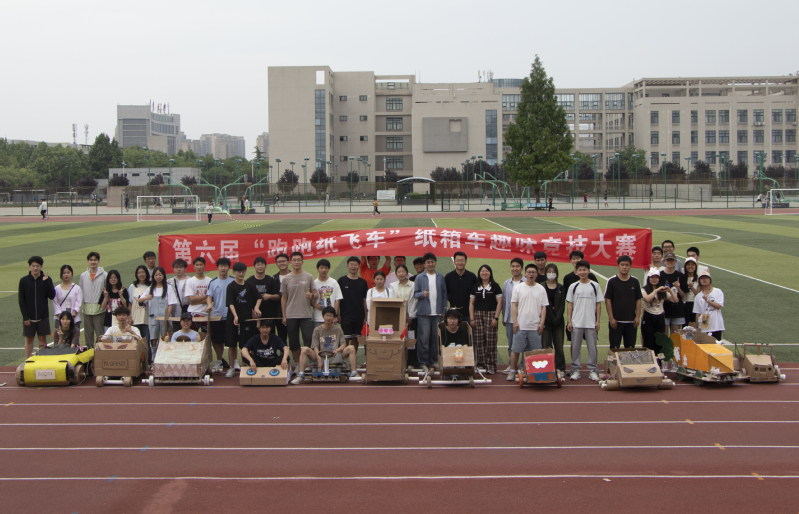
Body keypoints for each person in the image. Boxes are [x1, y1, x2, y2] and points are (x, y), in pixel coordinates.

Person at [292, 307, 358, 384]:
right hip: (320, 356)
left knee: (351, 348)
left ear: (334, 317)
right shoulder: (317, 330)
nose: (328, 318)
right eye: (327, 315)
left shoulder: (338, 329)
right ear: (323, 316)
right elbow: (315, 347)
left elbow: (343, 344)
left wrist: (337, 350)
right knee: (304, 349)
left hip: (335, 356)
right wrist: (319, 360)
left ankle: (354, 373)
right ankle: (301, 375)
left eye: (330, 316)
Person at [507, 264, 548, 381]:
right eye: (529, 272)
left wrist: (541, 323)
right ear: (525, 273)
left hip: (535, 327)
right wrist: (515, 322)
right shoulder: (518, 288)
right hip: (521, 326)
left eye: (533, 272)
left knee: (535, 352)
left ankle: (532, 372)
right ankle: (512, 371)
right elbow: (514, 305)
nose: (531, 274)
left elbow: (544, 307)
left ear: (537, 274)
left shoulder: (541, 289)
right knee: (516, 350)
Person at [566, 260, 603, 381]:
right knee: (575, 347)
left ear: (589, 271)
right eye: (580, 270)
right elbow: (570, 304)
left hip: (591, 322)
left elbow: (598, 304)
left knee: (592, 347)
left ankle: (593, 369)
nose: (582, 272)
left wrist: (597, 321)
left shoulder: (595, 286)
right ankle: (575, 369)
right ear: (577, 271)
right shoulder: (573, 286)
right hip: (577, 322)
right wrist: (569, 321)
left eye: (584, 270)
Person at [225, 262, 262, 378]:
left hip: (247, 320)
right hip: (233, 320)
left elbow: (259, 297)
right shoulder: (231, 286)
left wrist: (256, 308)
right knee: (232, 345)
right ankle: (231, 367)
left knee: (245, 345)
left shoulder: (249, 286)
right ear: (234, 272)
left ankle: (245, 365)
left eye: (243, 271)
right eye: (238, 272)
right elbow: (230, 303)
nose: (241, 274)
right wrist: (236, 316)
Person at [413, 252, 447, 374]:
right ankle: (423, 362)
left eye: (432, 262)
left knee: (435, 339)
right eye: (428, 262)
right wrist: (423, 294)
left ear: (435, 263)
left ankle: (433, 361)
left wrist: (443, 310)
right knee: (423, 339)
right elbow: (415, 294)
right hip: (424, 313)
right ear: (424, 264)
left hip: (437, 313)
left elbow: (444, 294)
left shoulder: (440, 276)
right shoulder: (419, 277)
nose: (431, 264)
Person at [281, 252, 316, 367]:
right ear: (290, 262)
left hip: (305, 315)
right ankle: (297, 365)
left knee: (308, 340)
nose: (296, 262)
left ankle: (309, 364)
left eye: (299, 260)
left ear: (302, 262)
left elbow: (315, 294)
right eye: (294, 260)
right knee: (293, 342)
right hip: (291, 315)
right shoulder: (286, 278)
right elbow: (284, 297)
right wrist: (284, 316)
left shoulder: (308, 276)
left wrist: (311, 296)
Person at [604, 255, 643, 350]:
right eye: (622, 265)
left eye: (627, 265)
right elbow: (608, 300)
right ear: (618, 266)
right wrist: (611, 318)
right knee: (614, 347)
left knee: (630, 348)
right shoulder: (612, 281)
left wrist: (637, 317)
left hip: (631, 321)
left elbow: (638, 299)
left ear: (630, 267)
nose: (624, 267)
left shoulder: (635, 281)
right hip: (616, 321)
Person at [469, 264, 502, 375]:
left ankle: (491, 365)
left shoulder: (495, 286)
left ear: (490, 273)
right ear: (479, 273)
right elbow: (471, 303)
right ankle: (481, 365)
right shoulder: (475, 286)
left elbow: (499, 303)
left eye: (486, 271)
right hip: (478, 315)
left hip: (491, 314)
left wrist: (496, 318)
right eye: (482, 271)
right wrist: (472, 319)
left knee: (491, 341)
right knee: (479, 341)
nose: (484, 273)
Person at [641, 267, 677, 368]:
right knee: (648, 341)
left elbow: (675, 300)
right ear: (649, 278)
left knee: (659, 342)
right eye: (652, 277)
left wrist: (670, 291)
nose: (654, 279)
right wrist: (656, 290)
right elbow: (647, 299)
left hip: (660, 317)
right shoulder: (644, 289)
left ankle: (659, 364)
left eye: (656, 277)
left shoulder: (663, 291)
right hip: (648, 316)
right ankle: (648, 364)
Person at [19, 256, 55, 357]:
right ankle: (28, 360)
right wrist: (25, 316)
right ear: (29, 267)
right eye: (33, 266)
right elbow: (21, 300)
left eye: (37, 266)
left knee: (42, 338)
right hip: (29, 317)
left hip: (42, 316)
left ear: (41, 266)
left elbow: (52, 296)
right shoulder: (24, 281)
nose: (35, 268)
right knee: (29, 339)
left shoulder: (47, 279)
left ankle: (42, 360)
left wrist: (46, 282)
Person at [205, 257, 234, 373]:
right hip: (217, 316)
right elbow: (209, 297)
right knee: (218, 340)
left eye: (225, 266)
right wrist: (209, 305)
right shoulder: (213, 282)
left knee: (232, 340)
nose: (223, 268)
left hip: (231, 316)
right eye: (221, 266)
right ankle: (219, 360)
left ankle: (234, 361)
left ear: (228, 267)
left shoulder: (233, 281)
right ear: (217, 267)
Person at [338, 256, 369, 355]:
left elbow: (364, 301)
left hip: (359, 316)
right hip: (345, 315)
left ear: (359, 266)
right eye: (351, 264)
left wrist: (365, 317)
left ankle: (352, 359)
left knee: (356, 338)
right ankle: (344, 359)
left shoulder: (363, 282)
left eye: (356, 265)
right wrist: (337, 314)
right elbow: (337, 299)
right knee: (345, 339)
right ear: (347, 266)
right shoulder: (341, 281)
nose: (353, 267)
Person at [389, 264, 418, 367]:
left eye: (403, 271)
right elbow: (392, 301)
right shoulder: (393, 285)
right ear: (396, 274)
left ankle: (411, 362)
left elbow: (414, 301)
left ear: (407, 273)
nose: (401, 274)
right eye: (399, 272)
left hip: (411, 318)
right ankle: (399, 361)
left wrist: (410, 316)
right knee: (398, 339)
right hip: (397, 318)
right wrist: (399, 316)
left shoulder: (413, 285)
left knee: (410, 340)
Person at [541, 263, 566, 378]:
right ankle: (546, 367)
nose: (551, 274)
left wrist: (557, 317)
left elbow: (562, 306)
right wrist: (550, 317)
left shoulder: (561, 287)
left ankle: (560, 367)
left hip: (558, 322)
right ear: (545, 273)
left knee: (559, 346)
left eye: (553, 272)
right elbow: (544, 305)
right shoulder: (542, 286)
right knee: (545, 345)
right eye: (549, 272)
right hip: (546, 321)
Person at [501, 257, 525, 370]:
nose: (515, 268)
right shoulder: (507, 283)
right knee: (511, 344)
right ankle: (512, 365)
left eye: (517, 266)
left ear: (522, 268)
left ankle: (524, 366)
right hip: (509, 320)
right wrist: (504, 317)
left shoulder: (526, 282)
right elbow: (504, 301)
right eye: (513, 266)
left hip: (523, 320)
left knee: (524, 344)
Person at [79, 252, 106, 347]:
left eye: (95, 260)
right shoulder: (83, 276)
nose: (93, 262)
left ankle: (101, 354)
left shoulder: (104, 275)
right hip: (86, 311)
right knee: (88, 337)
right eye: (91, 260)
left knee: (100, 336)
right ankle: (89, 355)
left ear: (98, 261)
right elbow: (81, 291)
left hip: (99, 310)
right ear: (88, 262)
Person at [247, 256, 281, 329]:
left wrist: (269, 296)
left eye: (262, 264)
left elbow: (278, 296)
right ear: (254, 267)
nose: (260, 266)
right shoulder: (249, 281)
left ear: (265, 266)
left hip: (269, 315)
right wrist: (252, 312)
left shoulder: (270, 280)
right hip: (254, 315)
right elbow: (247, 299)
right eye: (258, 264)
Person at [53, 264, 83, 346]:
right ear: (61, 275)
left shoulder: (76, 288)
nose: (66, 275)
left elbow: (78, 302)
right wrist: (62, 318)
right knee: (60, 338)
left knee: (74, 338)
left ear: (71, 274)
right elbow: (55, 303)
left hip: (74, 316)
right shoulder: (57, 288)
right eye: (64, 273)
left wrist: (72, 316)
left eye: (68, 272)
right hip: (60, 317)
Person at [444, 251, 478, 323]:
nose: (460, 263)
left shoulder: (472, 276)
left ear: (465, 262)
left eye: (462, 260)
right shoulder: (449, 277)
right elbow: (446, 294)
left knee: (469, 330)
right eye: (458, 260)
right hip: (454, 314)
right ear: (454, 262)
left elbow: (477, 294)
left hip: (469, 314)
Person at [693, 270, 725, 341]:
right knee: (705, 343)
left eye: (706, 278)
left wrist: (707, 300)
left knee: (717, 344)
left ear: (710, 280)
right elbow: (697, 313)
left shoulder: (717, 291)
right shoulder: (698, 296)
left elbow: (718, 306)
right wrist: (697, 328)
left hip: (716, 323)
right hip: (704, 318)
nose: (704, 280)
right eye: (702, 278)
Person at [660, 253, 688, 334]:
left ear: (675, 262)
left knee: (675, 336)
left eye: (672, 260)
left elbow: (683, 296)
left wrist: (678, 288)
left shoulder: (680, 276)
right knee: (664, 336)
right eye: (668, 260)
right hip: (664, 309)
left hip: (677, 309)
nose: (670, 262)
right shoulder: (660, 275)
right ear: (664, 261)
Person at [312, 259, 342, 328]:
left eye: (326, 268)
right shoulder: (314, 283)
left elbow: (337, 300)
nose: (324, 270)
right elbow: (309, 300)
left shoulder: (333, 282)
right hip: (318, 318)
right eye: (321, 268)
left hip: (331, 318)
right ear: (317, 269)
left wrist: (335, 315)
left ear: (328, 269)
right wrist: (316, 306)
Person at [165, 259, 190, 332]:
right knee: (175, 333)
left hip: (187, 310)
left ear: (185, 268)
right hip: (174, 312)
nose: (178, 269)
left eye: (181, 267)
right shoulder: (169, 282)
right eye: (176, 267)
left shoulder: (190, 280)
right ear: (173, 269)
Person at [272, 253, 291, 345]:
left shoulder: (295, 276)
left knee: (293, 337)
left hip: (293, 310)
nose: (282, 263)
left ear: (288, 262)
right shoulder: (274, 278)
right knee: (281, 337)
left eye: (283, 261)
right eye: (279, 262)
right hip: (279, 312)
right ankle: (284, 354)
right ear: (276, 263)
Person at [129, 265, 151, 344]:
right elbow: (130, 303)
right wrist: (129, 317)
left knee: (146, 342)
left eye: (143, 272)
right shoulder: (132, 287)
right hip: (135, 318)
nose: (141, 274)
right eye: (139, 273)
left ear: (146, 273)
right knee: (136, 342)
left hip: (147, 319)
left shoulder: (150, 286)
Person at [683, 257, 700, 325]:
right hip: (685, 304)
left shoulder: (699, 278)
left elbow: (699, 294)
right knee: (686, 326)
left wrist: (691, 288)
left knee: (697, 325)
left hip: (696, 304)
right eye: (688, 265)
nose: (690, 267)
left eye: (692, 265)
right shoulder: (682, 277)